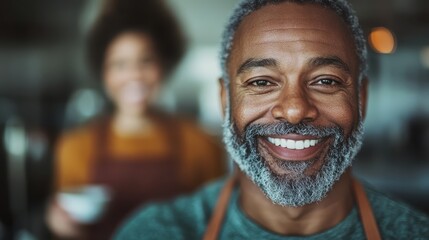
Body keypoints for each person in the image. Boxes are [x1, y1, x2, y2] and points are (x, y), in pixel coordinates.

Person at [115, 0, 429, 239]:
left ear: (361, 99)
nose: (294, 110)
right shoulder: (155, 232)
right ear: (225, 100)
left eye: (326, 81)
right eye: (262, 82)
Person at [46, 1, 226, 239]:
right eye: (119, 64)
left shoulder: (200, 143)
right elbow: (67, 222)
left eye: (146, 61)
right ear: (103, 72)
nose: (134, 75)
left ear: (163, 66)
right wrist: (59, 223)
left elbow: (219, 221)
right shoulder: (74, 147)